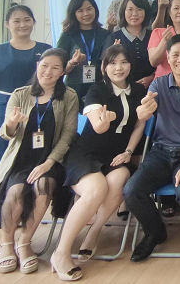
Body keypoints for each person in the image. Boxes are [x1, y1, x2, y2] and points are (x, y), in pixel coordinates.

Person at [51, 45, 147, 278]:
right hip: (87, 154)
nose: (118, 68)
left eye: (124, 62)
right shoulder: (97, 90)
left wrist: (128, 152)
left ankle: (94, 232)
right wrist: (104, 121)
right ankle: (61, 253)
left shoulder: (138, 91)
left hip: (117, 155)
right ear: (104, 67)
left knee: (120, 178)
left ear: (130, 65)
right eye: (112, 63)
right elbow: (97, 126)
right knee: (96, 189)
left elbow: (139, 125)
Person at [0, 49, 79, 278]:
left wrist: (49, 163)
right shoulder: (20, 94)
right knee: (16, 190)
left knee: (43, 186)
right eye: (45, 65)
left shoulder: (69, 96)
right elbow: (6, 134)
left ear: (63, 71)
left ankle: (24, 243)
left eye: (56, 68)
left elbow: (68, 135)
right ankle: (7, 243)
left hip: (50, 160)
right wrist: (11, 123)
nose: (48, 72)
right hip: (20, 160)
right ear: (38, 65)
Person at [124, 34, 180, 262]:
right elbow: (144, 113)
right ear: (167, 57)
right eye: (175, 54)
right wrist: (143, 110)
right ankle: (155, 231)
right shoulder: (158, 84)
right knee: (131, 191)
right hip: (161, 151)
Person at [0, 5, 51, 182]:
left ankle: (24, 197)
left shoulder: (46, 49)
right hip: (1, 107)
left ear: (33, 22)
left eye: (27, 20)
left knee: (32, 156)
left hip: (34, 106)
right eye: (17, 21)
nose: (23, 24)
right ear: (7, 24)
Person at [57, 0, 111, 109]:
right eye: (80, 11)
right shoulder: (67, 35)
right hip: (74, 89)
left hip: (99, 89)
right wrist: (73, 62)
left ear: (95, 10)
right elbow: (59, 69)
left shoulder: (105, 34)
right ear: (73, 14)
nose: (86, 14)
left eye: (89, 9)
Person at [103, 0, 156, 88]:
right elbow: (104, 69)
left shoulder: (153, 36)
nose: (134, 14)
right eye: (130, 9)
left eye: (139, 9)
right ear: (123, 12)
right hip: (122, 89)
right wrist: (113, 55)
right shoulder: (114, 37)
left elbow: (162, 65)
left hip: (151, 88)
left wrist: (152, 77)